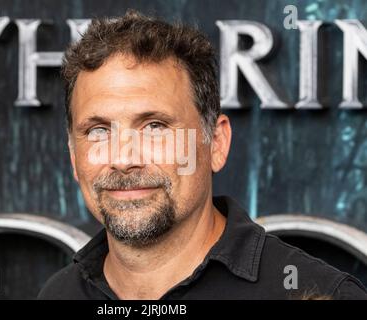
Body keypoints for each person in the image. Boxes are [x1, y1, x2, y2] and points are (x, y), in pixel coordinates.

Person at [38, 10, 367, 300]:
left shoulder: (315, 295)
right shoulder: (58, 294)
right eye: (98, 131)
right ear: (73, 156)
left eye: (155, 127)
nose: (124, 159)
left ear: (217, 143)